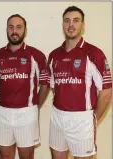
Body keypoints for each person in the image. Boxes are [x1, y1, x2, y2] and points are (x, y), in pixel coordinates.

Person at [47, 6, 112, 159]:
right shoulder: (54, 55)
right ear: (62, 25)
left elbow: (107, 92)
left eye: (76, 21)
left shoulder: (94, 54)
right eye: (67, 21)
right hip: (57, 117)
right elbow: (54, 87)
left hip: (82, 120)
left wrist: (93, 118)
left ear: (83, 25)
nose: (71, 25)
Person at [0, 14, 49, 159]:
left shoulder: (36, 55)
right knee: (5, 156)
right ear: (6, 30)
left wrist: (36, 106)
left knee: (26, 156)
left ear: (25, 30)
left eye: (19, 27)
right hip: (3, 113)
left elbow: (45, 85)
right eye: (11, 27)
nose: (14, 31)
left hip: (27, 113)